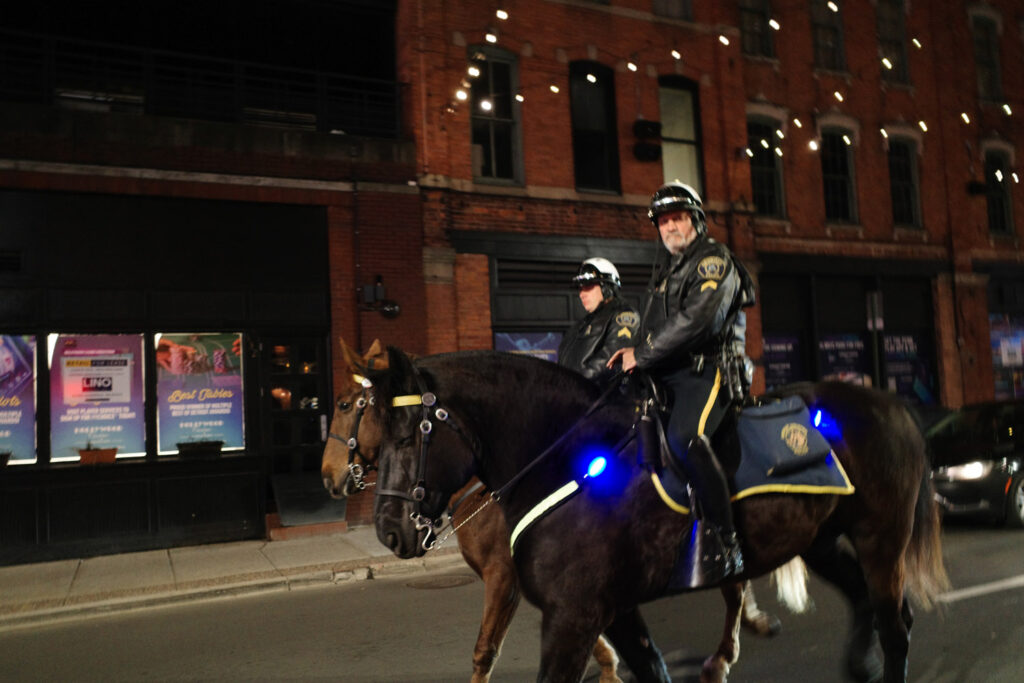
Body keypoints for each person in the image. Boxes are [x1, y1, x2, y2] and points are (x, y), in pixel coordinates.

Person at [608, 181, 755, 586]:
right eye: (663, 220)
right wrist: (630, 355)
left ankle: (727, 544)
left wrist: (644, 353)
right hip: (670, 371)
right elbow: (656, 330)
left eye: (678, 217)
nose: (670, 226)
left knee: (687, 437)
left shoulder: (713, 261)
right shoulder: (667, 273)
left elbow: (698, 322)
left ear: (696, 220)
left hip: (710, 370)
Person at [557, 257, 640, 388]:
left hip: (604, 401)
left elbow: (611, 357)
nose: (581, 294)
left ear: (606, 287)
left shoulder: (624, 315)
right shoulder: (581, 325)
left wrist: (572, 385)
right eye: (580, 288)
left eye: (588, 286)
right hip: (574, 398)